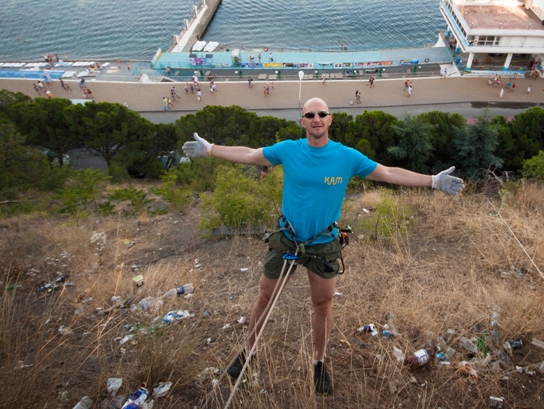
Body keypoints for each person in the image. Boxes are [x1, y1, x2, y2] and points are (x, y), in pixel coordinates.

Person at [182, 98, 463, 395]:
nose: (316, 118)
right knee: (265, 298)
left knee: (323, 305)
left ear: (330, 120)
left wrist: (432, 181)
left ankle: (318, 362)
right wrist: (210, 149)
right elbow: (250, 154)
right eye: (310, 114)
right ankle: (248, 353)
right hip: (287, 238)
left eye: (322, 114)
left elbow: (389, 173)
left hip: (323, 243)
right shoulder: (289, 150)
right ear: (302, 121)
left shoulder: (347, 157)